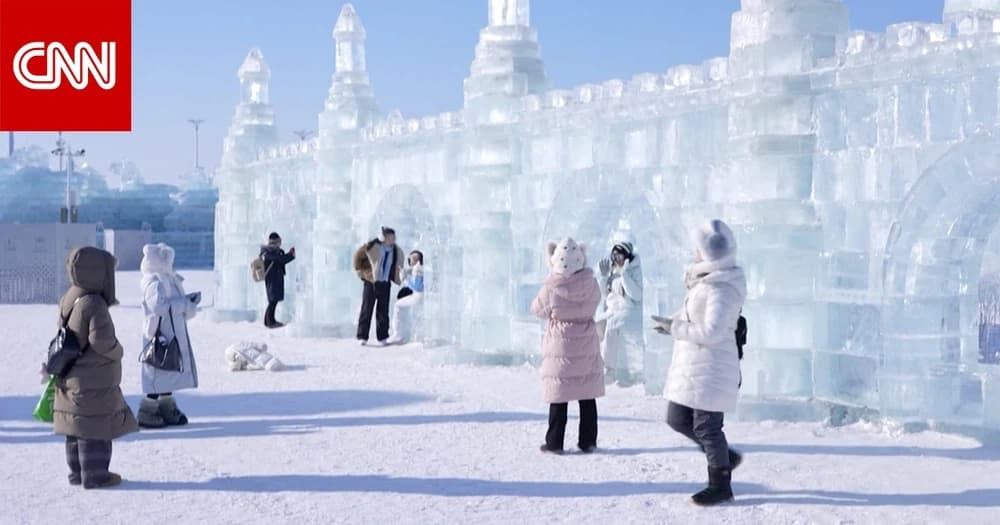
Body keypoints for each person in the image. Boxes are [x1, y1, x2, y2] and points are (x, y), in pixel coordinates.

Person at [654, 219, 747, 506]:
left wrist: (675, 330)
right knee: (677, 418)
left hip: (713, 368)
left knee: (708, 427)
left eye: (697, 247)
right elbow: (692, 314)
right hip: (695, 366)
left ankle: (720, 483)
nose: (693, 252)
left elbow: (712, 332)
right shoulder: (706, 282)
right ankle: (725, 457)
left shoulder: (722, 288)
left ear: (708, 252)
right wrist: (673, 321)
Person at [53, 246, 139, 489]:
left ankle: (77, 473)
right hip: (93, 378)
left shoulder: (70, 296)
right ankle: (96, 475)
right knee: (95, 428)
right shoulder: (94, 303)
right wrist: (118, 350)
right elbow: (101, 341)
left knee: (75, 425)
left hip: (71, 374)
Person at [530, 238, 604, 454]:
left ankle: (554, 442)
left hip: (560, 344)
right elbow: (597, 300)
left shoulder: (551, 286)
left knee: (559, 394)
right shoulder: (591, 283)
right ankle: (588, 441)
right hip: (586, 340)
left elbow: (536, 309)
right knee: (587, 394)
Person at [137, 243, 201, 429]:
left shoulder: (168, 279)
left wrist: (187, 303)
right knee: (158, 370)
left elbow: (172, 304)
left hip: (172, 331)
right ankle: (147, 410)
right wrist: (183, 303)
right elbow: (159, 306)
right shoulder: (153, 282)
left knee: (170, 369)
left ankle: (166, 406)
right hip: (160, 334)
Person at [596, 240, 645, 386]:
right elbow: (605, 295)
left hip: (630, 310)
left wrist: (624, 275)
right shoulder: (613, 270)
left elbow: (636, 295)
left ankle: (609, 370)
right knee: (597, 324)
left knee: (612, 325)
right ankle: (594, 365)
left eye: (620, 256)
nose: (617, 259)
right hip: (613, 310)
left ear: (627, 257)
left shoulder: (635, 270)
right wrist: (604, 278)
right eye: (614, 255)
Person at [353, 226, 405, 345]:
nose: (393, 239)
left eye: (394, 237)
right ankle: (362, 336)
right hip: (371, 282)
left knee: (383, 310)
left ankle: (382, 337)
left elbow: (399, 264)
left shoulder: (396, 250)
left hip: (385, 282)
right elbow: (358, 256)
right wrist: (360, 270)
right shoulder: (373, 246)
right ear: (385, 237)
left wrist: (398, 276)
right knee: (367, 308)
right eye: (391, 237)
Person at [388, 250, 425, 344]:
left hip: (418, 296)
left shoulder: (417, 269)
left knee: (397, 306)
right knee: (402, 307)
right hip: (418, 296)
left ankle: (397, 333)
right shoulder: (418, 268)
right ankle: (403, 333)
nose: (410, 261)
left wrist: (405, 280)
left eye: (412, 259)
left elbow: (417, 287)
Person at [260, 232, 295, 328]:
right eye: (279, 241)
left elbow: (280, 259)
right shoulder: (270, 252)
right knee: (273, 301)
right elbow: (281, 259)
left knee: (273, 300)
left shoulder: (271, 252)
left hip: (274, 278)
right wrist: (291, 255)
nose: (280, 243)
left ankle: (268, 321)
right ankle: (270, 322)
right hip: (273, 279)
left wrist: (288, 254)